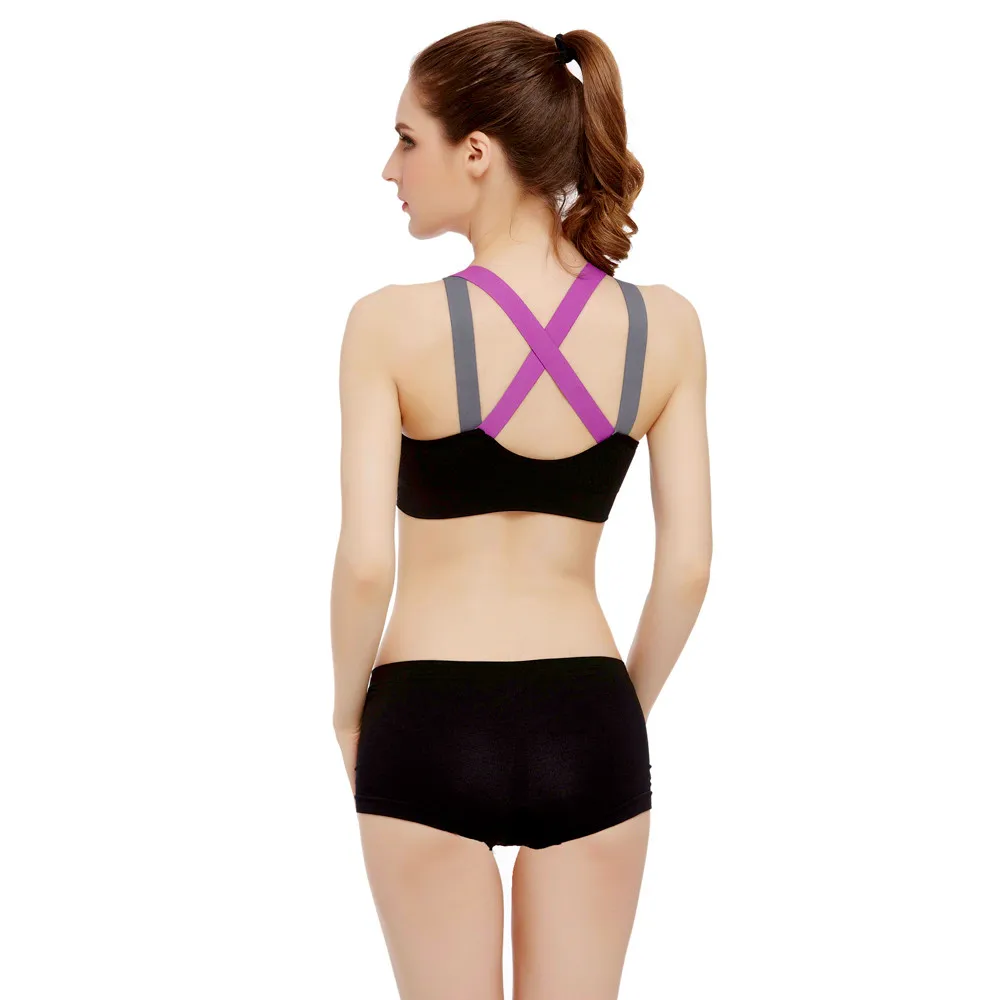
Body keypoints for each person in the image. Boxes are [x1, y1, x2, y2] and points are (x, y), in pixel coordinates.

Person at [331, 21, 712, 1000]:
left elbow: (367, 563)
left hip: (426, 714)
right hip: (588, 712)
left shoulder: (388, 325)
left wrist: (344, 713)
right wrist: (618, 709)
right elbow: (687, 568)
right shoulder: (665, 327)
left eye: (406, 139)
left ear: (476, 151)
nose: (389, 168)